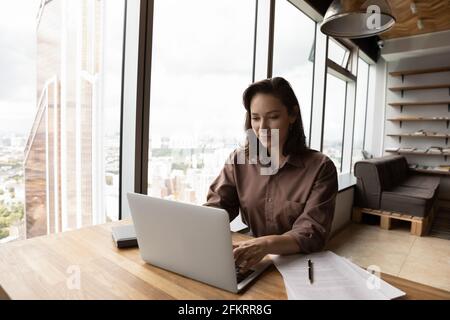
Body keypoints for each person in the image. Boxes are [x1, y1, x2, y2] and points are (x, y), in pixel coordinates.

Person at [204, 77, 338, 272]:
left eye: (273, 117)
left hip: (299, 266)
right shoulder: (239, 160)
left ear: (292, 114)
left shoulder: (321, 167)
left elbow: (312, 232)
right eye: (256, 118)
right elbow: (216, 208)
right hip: (253, 259)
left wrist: (266, 245)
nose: (262, 128)